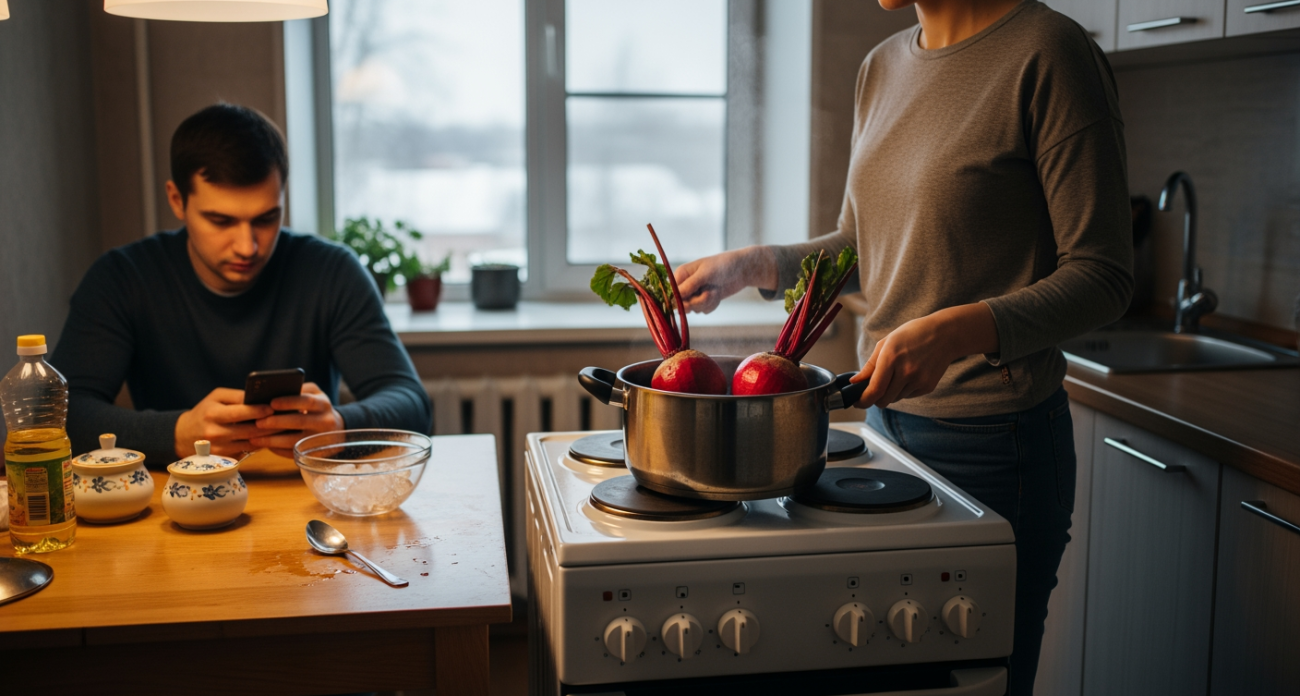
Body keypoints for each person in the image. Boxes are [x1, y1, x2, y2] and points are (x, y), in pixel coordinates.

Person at [676, 1, 1131, 693]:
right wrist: (757, 265)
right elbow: (862, 248)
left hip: (996, 448)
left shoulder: (1049, 53)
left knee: (978, 681)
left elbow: (1104, 275)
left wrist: (956, 330)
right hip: (887, 434)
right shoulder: (881, 67)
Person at [53, 103, 431, 464]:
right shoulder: (122, 278)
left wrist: (340, 428)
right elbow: (59, 417)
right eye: (221, 221)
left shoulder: (332, 272)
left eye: (267, 218)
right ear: (177, 200)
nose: (247, 246)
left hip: (303, 494)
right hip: (172, 498)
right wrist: (175, 433)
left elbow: (412, 403)